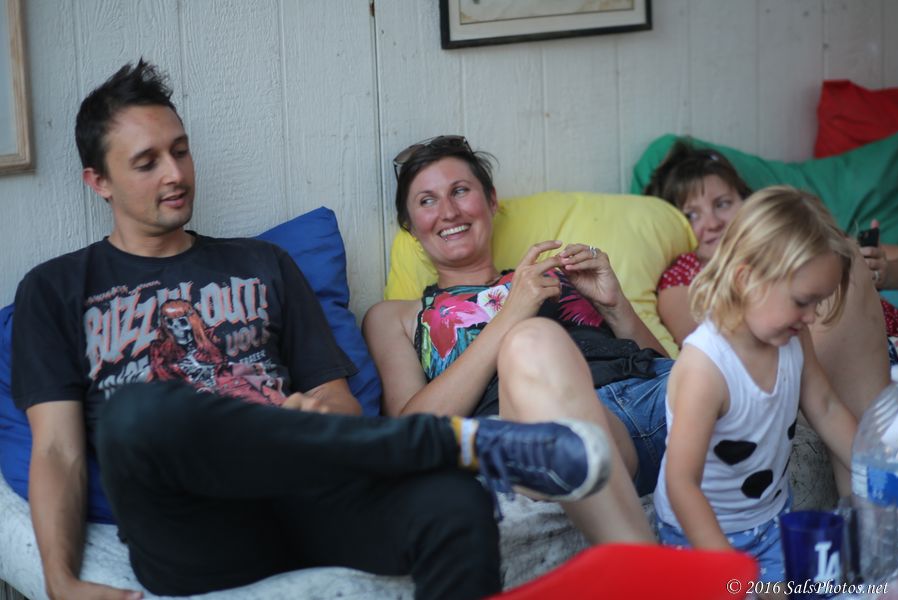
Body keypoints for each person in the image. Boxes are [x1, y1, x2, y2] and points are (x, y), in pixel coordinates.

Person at [10, 61, 614, 600]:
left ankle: (450, 450)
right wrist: (61, 582)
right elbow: (58, 449)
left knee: (457, 504)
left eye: (181, 151)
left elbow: (339, 402)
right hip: (195, 528)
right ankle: (446, 441)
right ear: (99, 181)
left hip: (310, 492)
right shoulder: (56, 289)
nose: (175, 173)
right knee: (137, 412)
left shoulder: (262, 263)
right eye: (147, 163)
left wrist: (312, 413)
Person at [364, 135, 673, 545]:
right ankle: (641, 560)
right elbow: (412, 434)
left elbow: (661, 363)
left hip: (654, 395)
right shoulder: (397, 317)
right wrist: (512, 313)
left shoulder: (552, 277)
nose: (449, 211)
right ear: (410, 225)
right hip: (567, 425)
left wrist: (616, 305)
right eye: (427, 201)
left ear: (492, 201)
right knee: (532, 340)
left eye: (460, 191)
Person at [653, 186, 858, 588]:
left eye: (818, 302)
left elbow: (826, 407)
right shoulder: (707, 368)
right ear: (746, 278)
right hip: (700, 537)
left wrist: (880, 465)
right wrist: (730, 570)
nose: (811, 316)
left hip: (772, 522)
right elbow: (681, 483)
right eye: (802, 300)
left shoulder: (793, 338)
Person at [645, 140, 896, 420]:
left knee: (846, 252)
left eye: (722, 204)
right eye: (692, 215)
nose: (713, 223)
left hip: (886, 346)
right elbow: (715, 351)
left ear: (747, 202)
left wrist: (884, 272)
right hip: (838, 375)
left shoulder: (794, 243)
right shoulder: (684, 274)